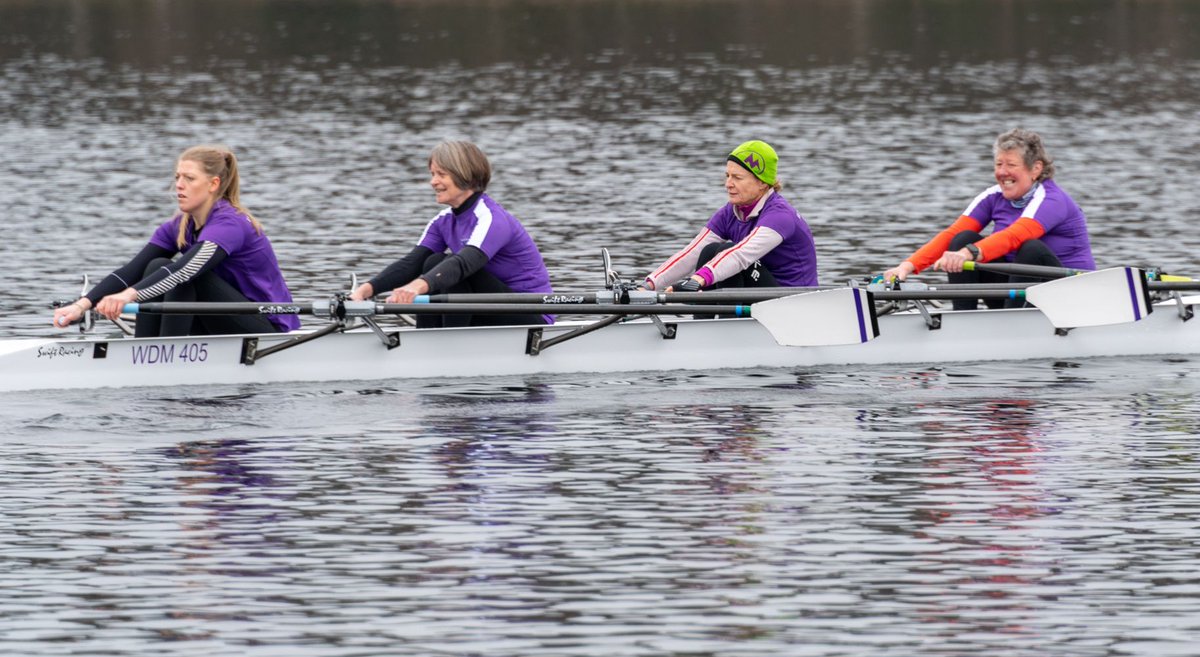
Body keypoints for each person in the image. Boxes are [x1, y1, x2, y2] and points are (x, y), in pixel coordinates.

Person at [52, 145, 299, 336]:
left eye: (189, 179)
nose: (178, 185)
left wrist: (127, 296)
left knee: (179, 274)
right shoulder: (179, 225)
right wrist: (82, 305)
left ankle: (166, 355)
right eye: (178, 177)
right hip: (221, 319)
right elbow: (131, 271)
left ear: (213, 184)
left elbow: (185, 270)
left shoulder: (230, 223)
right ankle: (148, 350)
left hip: (266, 326)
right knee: (155, 265)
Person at [882, 128, 1095, 309]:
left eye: (1011, 165)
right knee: (962, 239)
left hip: (1069, 299)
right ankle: (965, 321)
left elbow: (1015, 236)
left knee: (1031, 248)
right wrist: (907, 267)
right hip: (1017, 292)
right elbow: (952, 234)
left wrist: (968, 254)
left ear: (1036, 169)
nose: (1002, 172)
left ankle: (1012, 324)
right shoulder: (992, 196)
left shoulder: (1052, 200)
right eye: (998, 164)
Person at [349, 140, 553, 327]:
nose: (433, 182)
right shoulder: (443, 221)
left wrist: (416, 287)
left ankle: (447, 343)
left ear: (465, 175)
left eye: (441, 174)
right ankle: (429, 339)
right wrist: (364, 291)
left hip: (530, 312)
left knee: (447, 266)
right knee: (432, 261)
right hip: (489, 307)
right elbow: (411, 263)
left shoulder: (492, 218)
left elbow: (465, 263)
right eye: (432, 174)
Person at [642, 139, 818, 294]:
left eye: (737, 177)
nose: (728, 184)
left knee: (727, 251)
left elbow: (741, 255)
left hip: (794, 305)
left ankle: (723, 323)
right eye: (727, 176)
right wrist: (650, 285)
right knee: (709, 251)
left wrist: (697, 280)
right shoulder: (730, 211)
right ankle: (706, 323)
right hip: (762, 298)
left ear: (762, 183)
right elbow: (691, 253)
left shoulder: (780, 215)